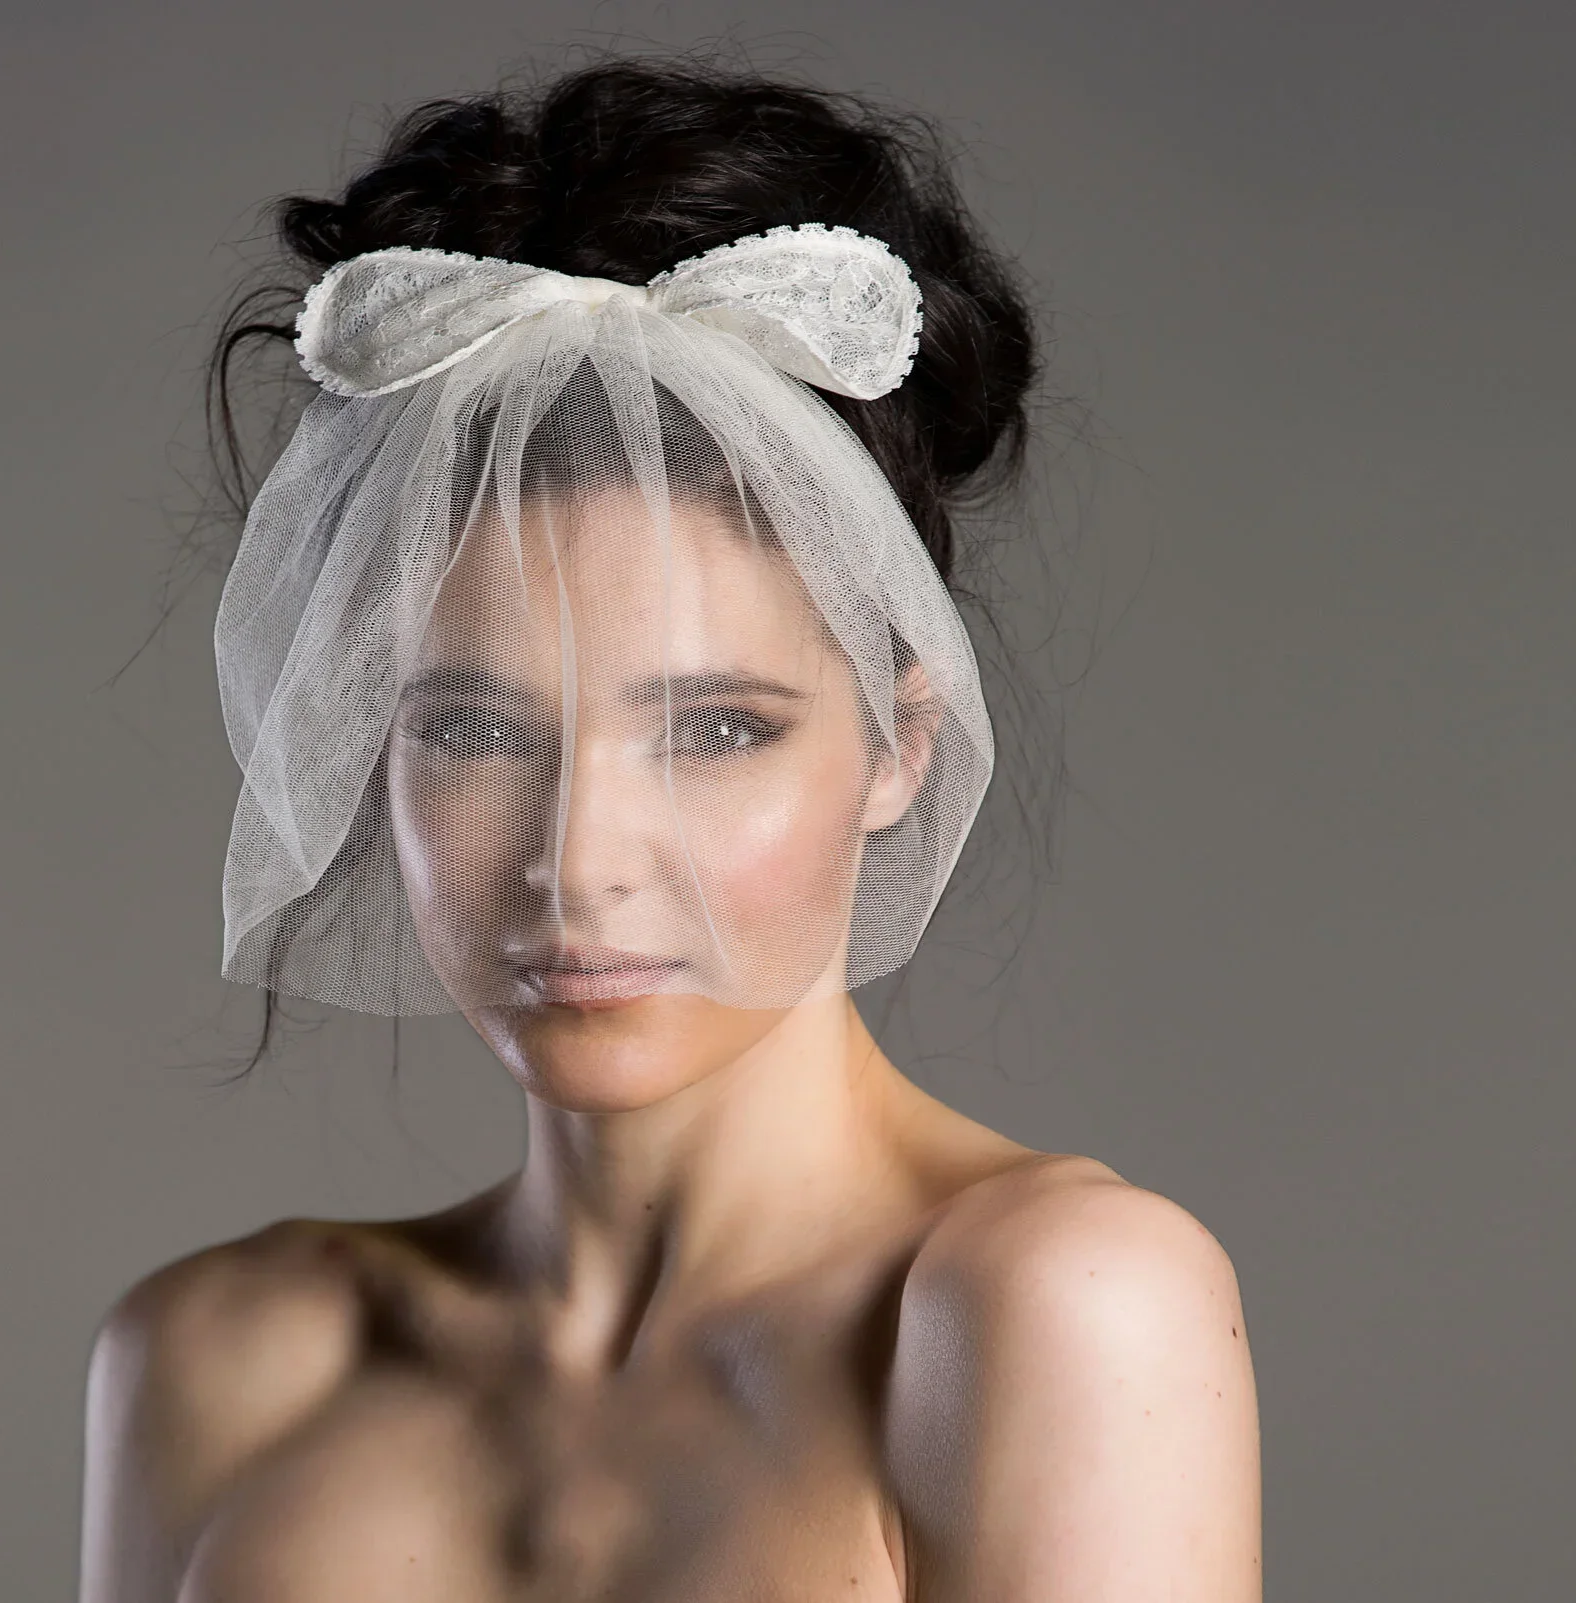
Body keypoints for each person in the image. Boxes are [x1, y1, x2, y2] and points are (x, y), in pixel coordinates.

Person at [78, 55, 1261, 1603]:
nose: (579, 860)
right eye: (475, 729)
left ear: (903, 741)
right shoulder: (217, 1359)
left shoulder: (1048, 1311)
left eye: (716, 729)